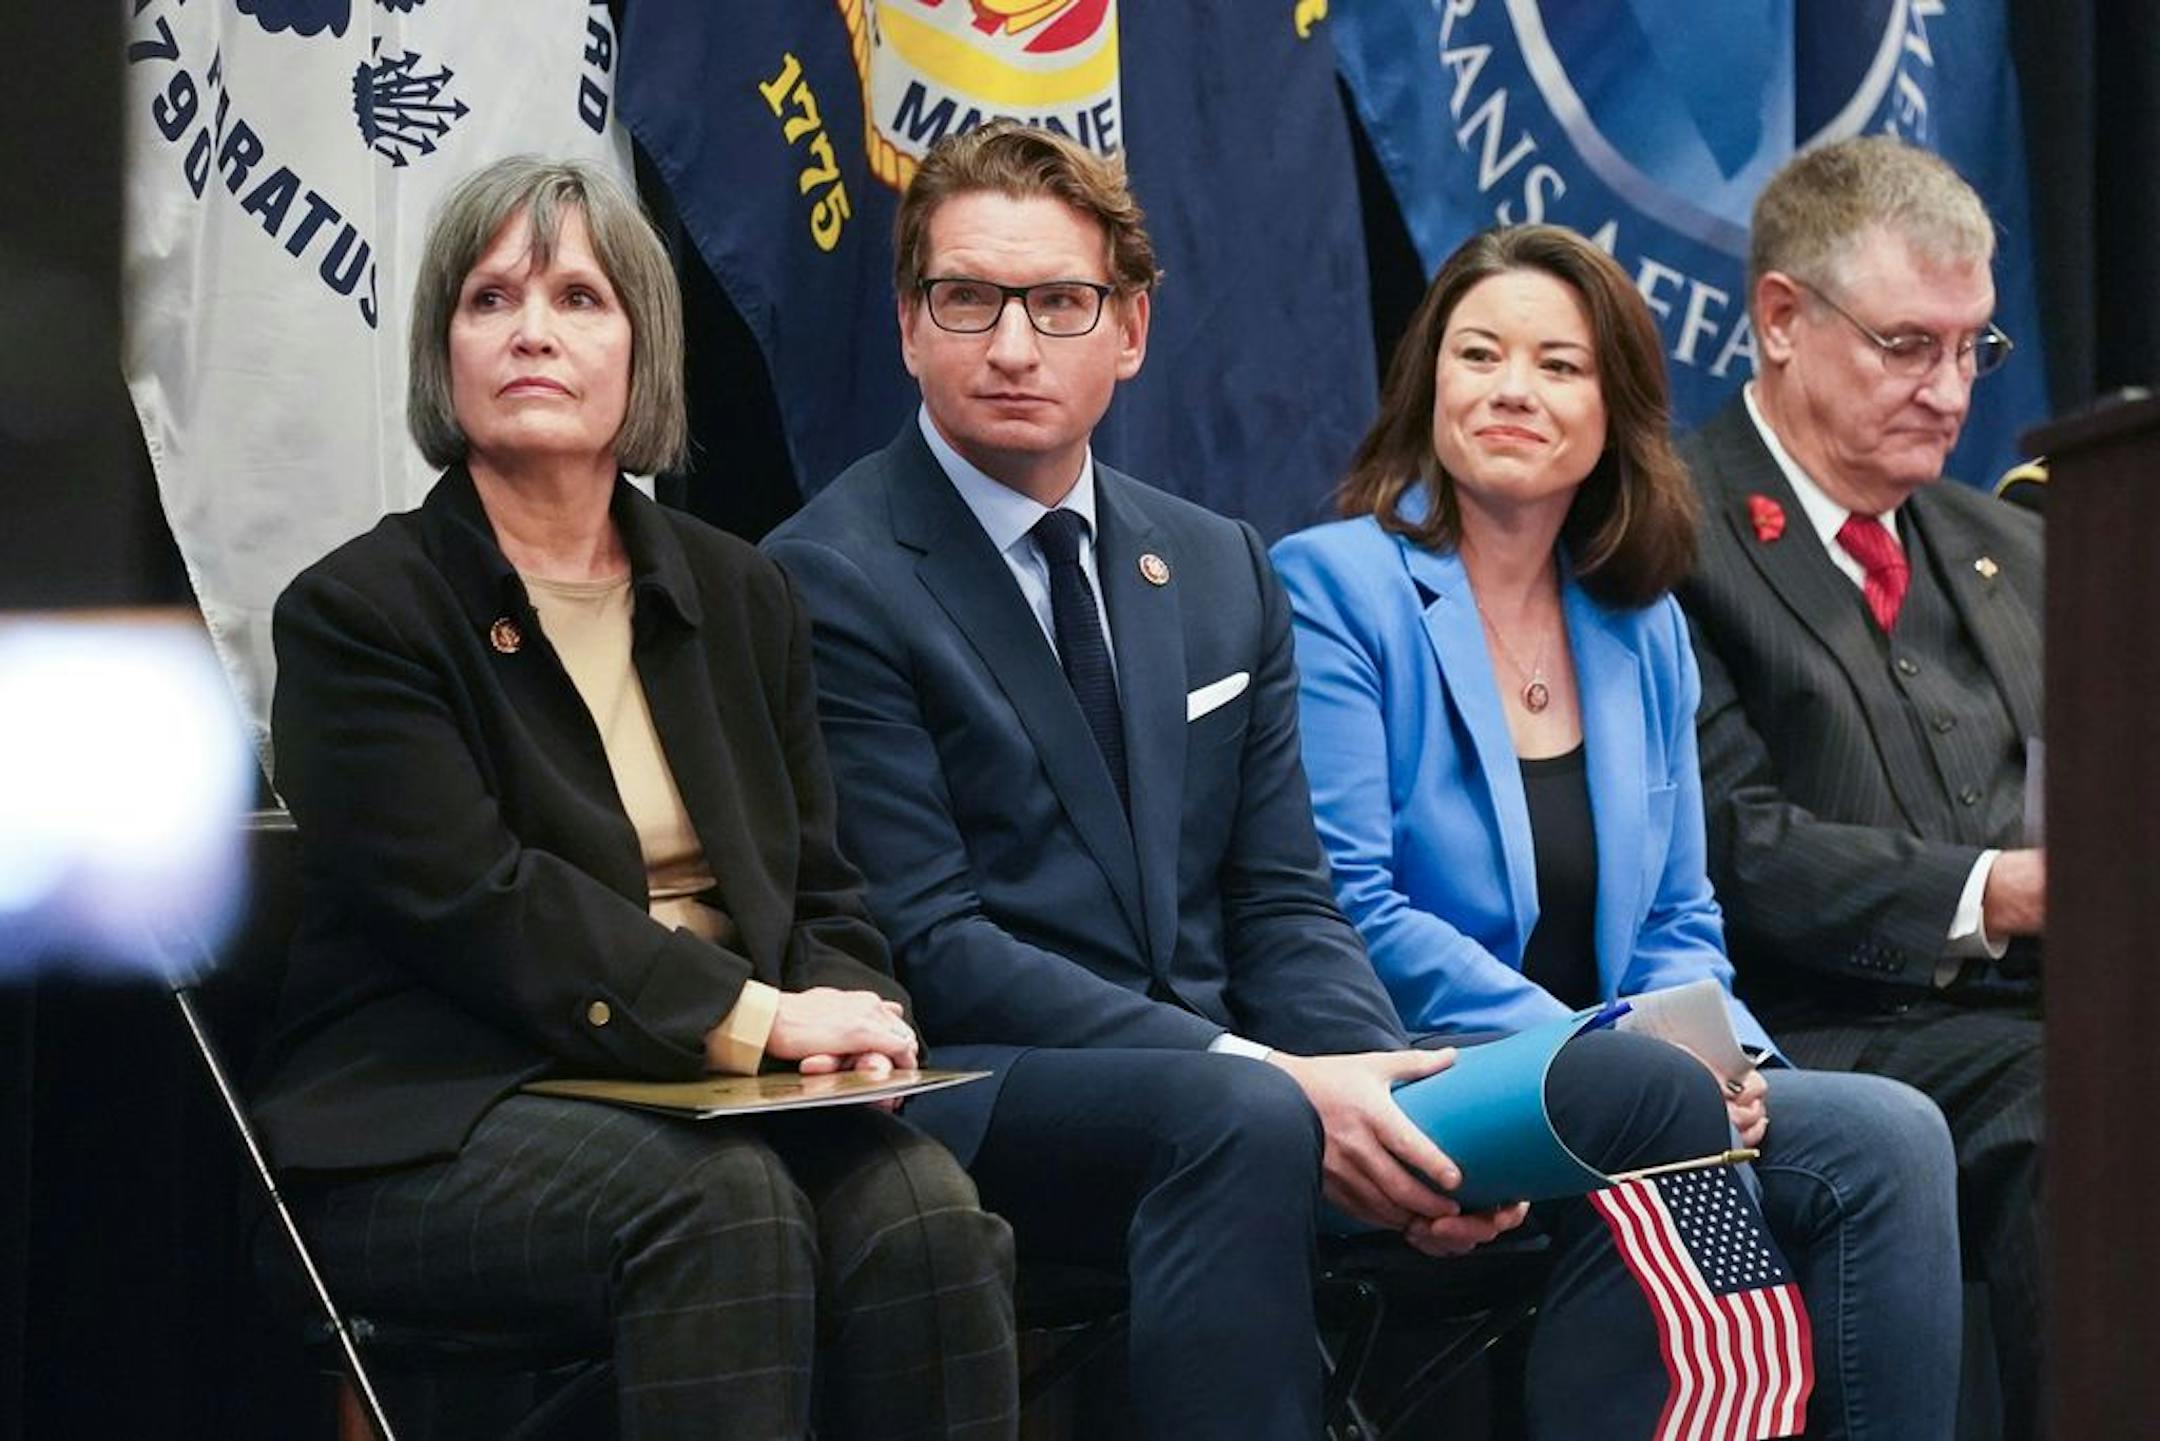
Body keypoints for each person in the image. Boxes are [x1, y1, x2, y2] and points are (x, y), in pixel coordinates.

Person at [769, 121, 1813, 1441]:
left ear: (1130, 328)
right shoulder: (831, 574)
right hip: (997, 1084)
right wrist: (1274, 1070)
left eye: (1059, 302)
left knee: (1640, 1094)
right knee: (1243, 1115)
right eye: (966, 299)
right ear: (912, 327)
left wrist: (1375, 1077)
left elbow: (1285, 901)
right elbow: (933, 945)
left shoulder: (1214, 563)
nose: (1014, 344)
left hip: (1262, 1082)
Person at [249, 156, 1017, 1440]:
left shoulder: (739, 592)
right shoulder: (359, 614)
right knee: (718, 1208)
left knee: (925, 1211)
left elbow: (817, 882)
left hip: (717, 1095)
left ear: (643, 350)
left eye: (579, 297)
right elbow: (481, 909)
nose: (533, 330)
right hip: (443, 1112)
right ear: (444, 353)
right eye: (490, 300)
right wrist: (763, 1016)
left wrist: (859, 1024)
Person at [1271, 222, 1964, 1439]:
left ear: (1614, 412)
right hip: (1420, 1077)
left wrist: (1731, 1063)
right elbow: (1349, 908)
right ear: (1428, 382)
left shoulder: (1638, 625)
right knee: (1649, 1123)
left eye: (1559, 366)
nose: (1513, 391)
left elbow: (1679, 915)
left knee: (1891, 1133)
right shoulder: (1334, 587)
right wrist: (1617, 1053)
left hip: (1641, 1083)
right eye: (1480, 354)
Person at [1672, 136, 2044, 1438]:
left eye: (1975, 350)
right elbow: (1736, 844)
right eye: (1907, 345)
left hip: (2039, 1012)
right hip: (1813, 1035)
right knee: (2080, 1102)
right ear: (1782, 318)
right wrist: (1996, 890)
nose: (1950, 391)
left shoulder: (2017, 544)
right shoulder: (1668, 532)